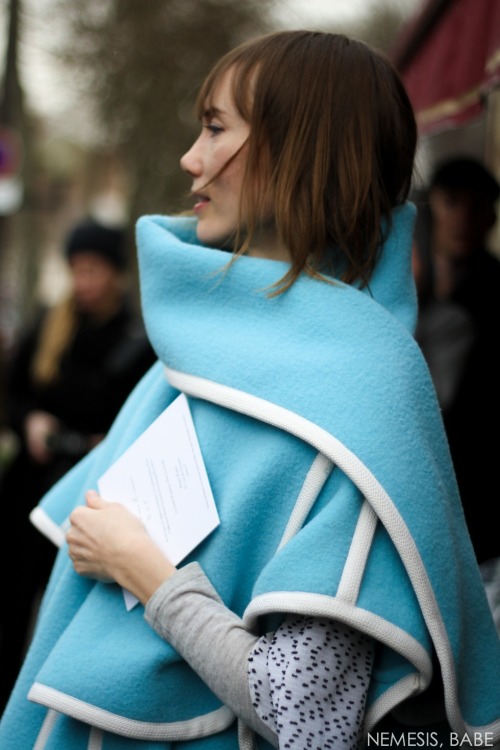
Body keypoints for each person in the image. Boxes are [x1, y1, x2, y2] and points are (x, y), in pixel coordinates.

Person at [0, 31, 499, 749]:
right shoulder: (200, 347)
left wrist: (145, 571)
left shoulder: (362, 383)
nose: (190, 159)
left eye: (215, 128)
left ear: (299, 150)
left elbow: (311, 719)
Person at [0, 217, 156, 712]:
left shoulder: (138, 337)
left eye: (95, 269)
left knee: (61, 611)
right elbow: (13, 395)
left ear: (115, 272)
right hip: (26, 488)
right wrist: (30, 422)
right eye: (77, 269)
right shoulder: (50, 323)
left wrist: (107, 443)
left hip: (89, 496)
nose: (85, 281)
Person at [413, 158, 500, 569]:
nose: (463, 218)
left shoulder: (494, 297)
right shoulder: (404, 281)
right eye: (451, 203)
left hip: (479, 509)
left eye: (476, 206)